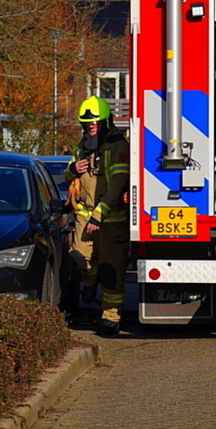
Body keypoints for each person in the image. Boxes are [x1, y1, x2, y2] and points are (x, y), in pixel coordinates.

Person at [65, 96, 130, 337]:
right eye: (86, 124)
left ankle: (110, 318)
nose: (89, 127)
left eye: (93, 123)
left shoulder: (118, 146)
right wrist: (72, 170)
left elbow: (118, 185)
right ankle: (90, 284)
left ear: (105, 121)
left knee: (111, 270)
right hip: (84, 216)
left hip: (111, 220)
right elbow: (67, 173)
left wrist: (99, 214)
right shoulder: (82, 145)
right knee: (81, 258)